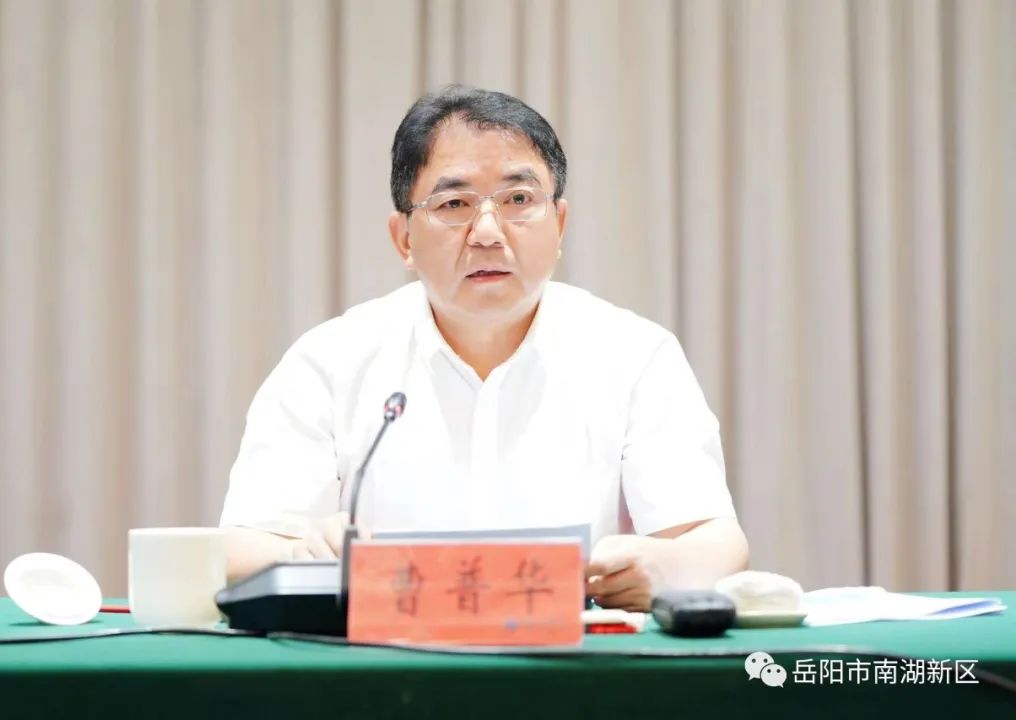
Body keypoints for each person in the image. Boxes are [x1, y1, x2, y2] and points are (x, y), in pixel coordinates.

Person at [219, 84, 748, 611]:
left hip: (576, 657)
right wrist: (306, 555)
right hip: (388, 657)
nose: (488, 232)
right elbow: (240, 548)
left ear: (559, 224)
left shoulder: (635, 355)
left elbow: (714, 540)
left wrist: (665, 567)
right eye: (454, 204)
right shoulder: (329, 362)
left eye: (518, 200)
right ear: (404, 239)